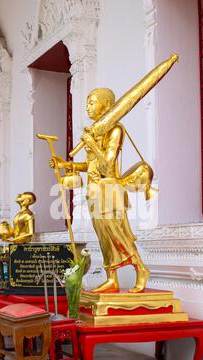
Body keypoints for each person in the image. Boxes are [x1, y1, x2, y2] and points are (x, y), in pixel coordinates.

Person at [50, 88, 150, 293]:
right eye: (87, 103)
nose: (88, 107)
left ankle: (140, 269)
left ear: (106, 105)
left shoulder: (115, 130)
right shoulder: (96, 131)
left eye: (92, 102)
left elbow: (107, 166)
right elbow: (91, 167)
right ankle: (112, 278)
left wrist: (92, 144)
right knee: (103, 237)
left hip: (109, 189)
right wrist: (66, 165)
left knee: (117, 233)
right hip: (94, 190)